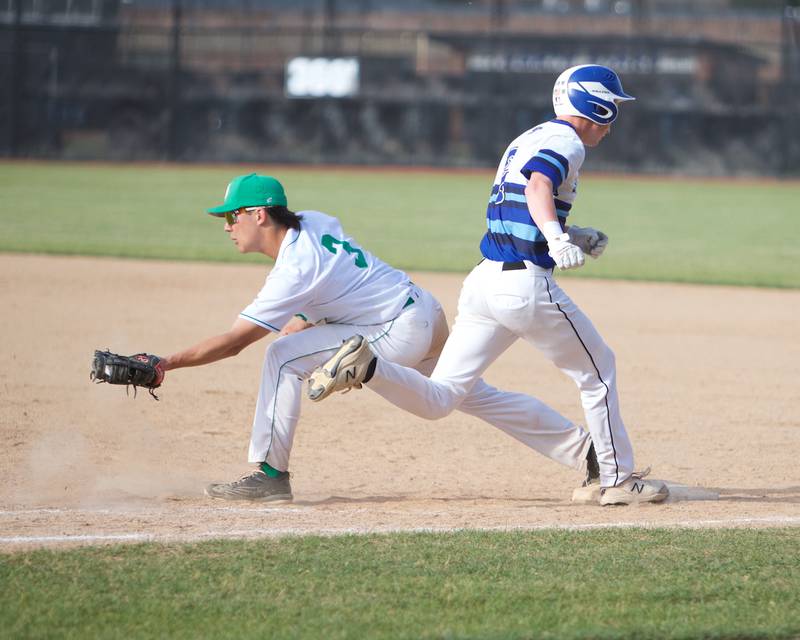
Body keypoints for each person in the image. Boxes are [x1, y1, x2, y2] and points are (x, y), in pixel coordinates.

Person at [308, 64, 669, 506]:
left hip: (483, 283)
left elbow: (519, 205)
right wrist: (557, 239)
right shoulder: (567, 141)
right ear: (593, 105)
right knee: (599, 373)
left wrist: (573, 234)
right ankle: (616, 480)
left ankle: (368, 367)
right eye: (613, 106)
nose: (615, 118)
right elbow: (538, 186)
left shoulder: (528, 138)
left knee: (441, 398)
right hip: (523, 286)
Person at [155, 172, 598, 502]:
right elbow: (330, 289)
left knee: (283, 357)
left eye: (232, 216)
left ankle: (271, 475)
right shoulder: (314, 222)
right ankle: (589, 454)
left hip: (395, 331)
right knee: (472, 395)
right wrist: (306, 320)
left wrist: (165, 364)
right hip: (423, 310)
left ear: (259, 214)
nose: (227, 225)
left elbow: (235, 342)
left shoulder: (293, 267)